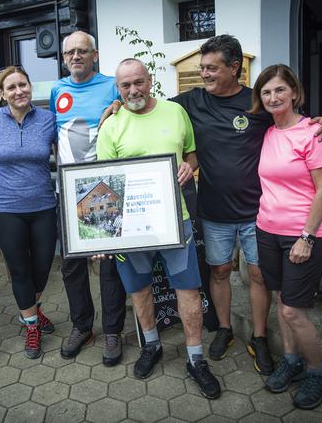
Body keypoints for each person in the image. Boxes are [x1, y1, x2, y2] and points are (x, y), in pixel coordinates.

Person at [102, 35, 322, 376]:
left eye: (212, 68)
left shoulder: (257, 104)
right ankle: (225, 329)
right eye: (202, 68)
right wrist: (113, 106)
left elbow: (292, 121)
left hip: (259, 213)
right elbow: (142, 101)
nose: (205, 74)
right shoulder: (189, 103)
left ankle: (258, 337)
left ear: (234, 68)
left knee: (257, 275)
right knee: (220, 271)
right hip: (213, 211)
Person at [97, 58, 221, 400]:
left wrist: (187, 167)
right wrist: (102, 232)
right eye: (125, 85)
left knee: (189, 290)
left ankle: (196, 359)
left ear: (149, 79)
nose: (133, 90)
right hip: (131, 227)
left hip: (174, 221)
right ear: (118, 89)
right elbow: (104, 184)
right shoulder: (111, 126)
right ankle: (151, 346)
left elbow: (192, 155)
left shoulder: (174, 112)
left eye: (139, 82)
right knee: (139, 290)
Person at [248, 64, 322, 409]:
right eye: (266, 92)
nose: (273, 97)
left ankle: (317, 371)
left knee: (293, 312)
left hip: (303, 234)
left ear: (295, 93)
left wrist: (307, 237)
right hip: (267, 229)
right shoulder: (268, 132)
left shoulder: (313, 132)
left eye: (280, 90)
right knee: (283, 301)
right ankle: (292, 361)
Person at [50, 31, 127, 365]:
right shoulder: (57, 90)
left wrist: (119, 104)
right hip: (67, 191)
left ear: (95, 55)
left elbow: (134, 109)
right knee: (71, 265)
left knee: (109, 264)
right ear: (64, 58)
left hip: (104, 189)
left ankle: (112, 330)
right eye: (70, 52)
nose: (76, 56)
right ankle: (83, 326)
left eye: (82, 51)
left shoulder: (112, 85)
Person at [0, 66, 57, 359]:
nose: (18, 91)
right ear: (3, 93)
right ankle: (32, 325)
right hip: (6, 209)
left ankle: (29, 311)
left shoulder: (48, 119)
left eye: (23, 84)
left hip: (44, 205)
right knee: (20, 269)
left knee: (43, 267)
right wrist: (6, 179)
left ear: (30, 87)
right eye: (11, 87)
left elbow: (68, 153)